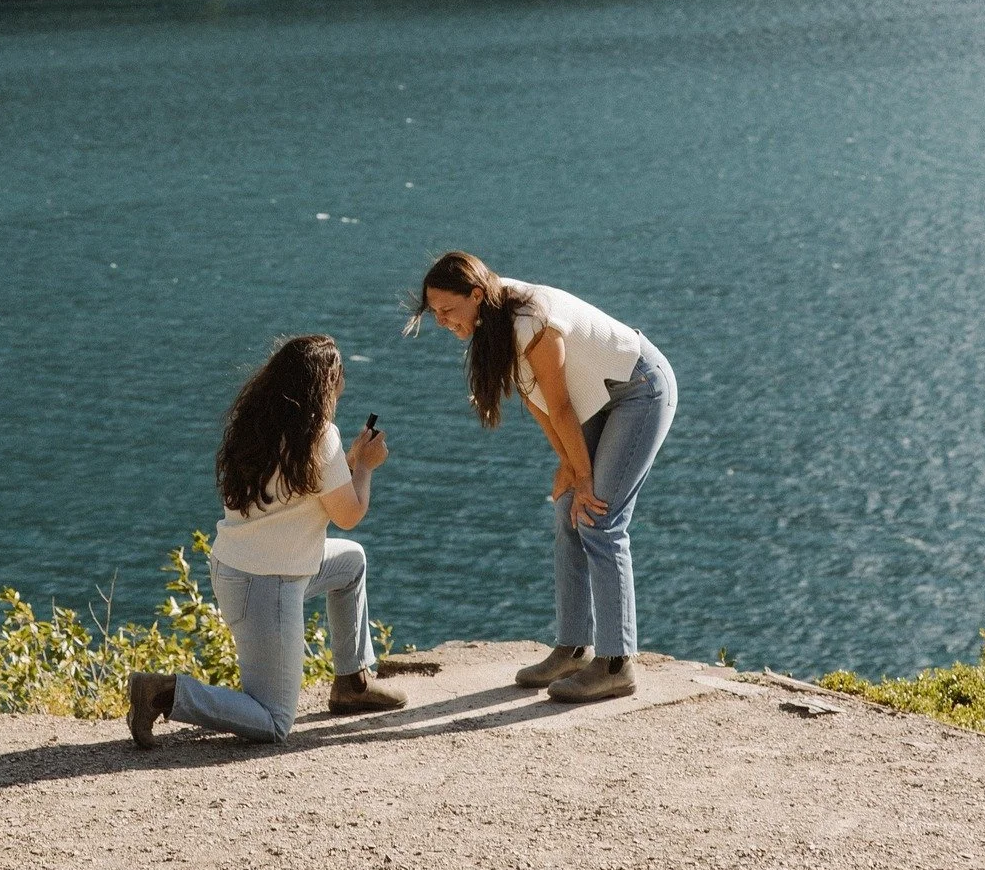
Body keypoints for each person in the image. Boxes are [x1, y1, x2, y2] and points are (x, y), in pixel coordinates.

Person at [409, 251, 676, 703]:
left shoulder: (529, 321)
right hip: (597, 399)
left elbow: (563, 406)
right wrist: (570, 467)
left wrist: (584, 476)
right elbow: (539, 404)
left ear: (475, 295)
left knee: (599, 517)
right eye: (434, 312)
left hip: (639, 391)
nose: (440, 320)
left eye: (446, 310)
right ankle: (573, 648)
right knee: (567, 510)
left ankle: (616, 663)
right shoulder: (492, 317)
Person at [127, 333, 405, 747]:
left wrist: (345, 463)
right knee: (274, 722)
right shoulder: (317, 435)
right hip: (267, 583)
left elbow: (298, 491)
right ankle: (165, 693)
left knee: (350, 563)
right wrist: (364, 467)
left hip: (243, 567)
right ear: (324, 385)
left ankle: (353, 682)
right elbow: (348, 514)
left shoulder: (257, 424)